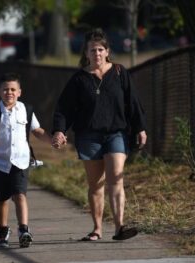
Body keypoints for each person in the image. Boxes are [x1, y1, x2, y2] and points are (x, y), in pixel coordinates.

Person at [52, 28, 147, 241]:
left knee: (116, 179)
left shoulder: (120, 73)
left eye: (100, 49)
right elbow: (64, 108)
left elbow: (133, 103)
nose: (97, 53)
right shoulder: (79, 79)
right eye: (92, 50)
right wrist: (59, 130)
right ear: (86, 53)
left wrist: (140, 128)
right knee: (96, 185)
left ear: (107, 51)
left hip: (117, 133)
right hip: (89, 136)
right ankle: (97, 229)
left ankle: (120, 226)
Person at [0, 73, 52, 248]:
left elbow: (37, 130)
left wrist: (52, 140)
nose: (9, 92)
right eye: (5, 89)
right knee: (2, 199)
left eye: (13, 89)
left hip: (21, 160)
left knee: (20, 194)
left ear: (19, 92)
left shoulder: (26, 109)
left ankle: (23, 230)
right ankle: (3, 230)